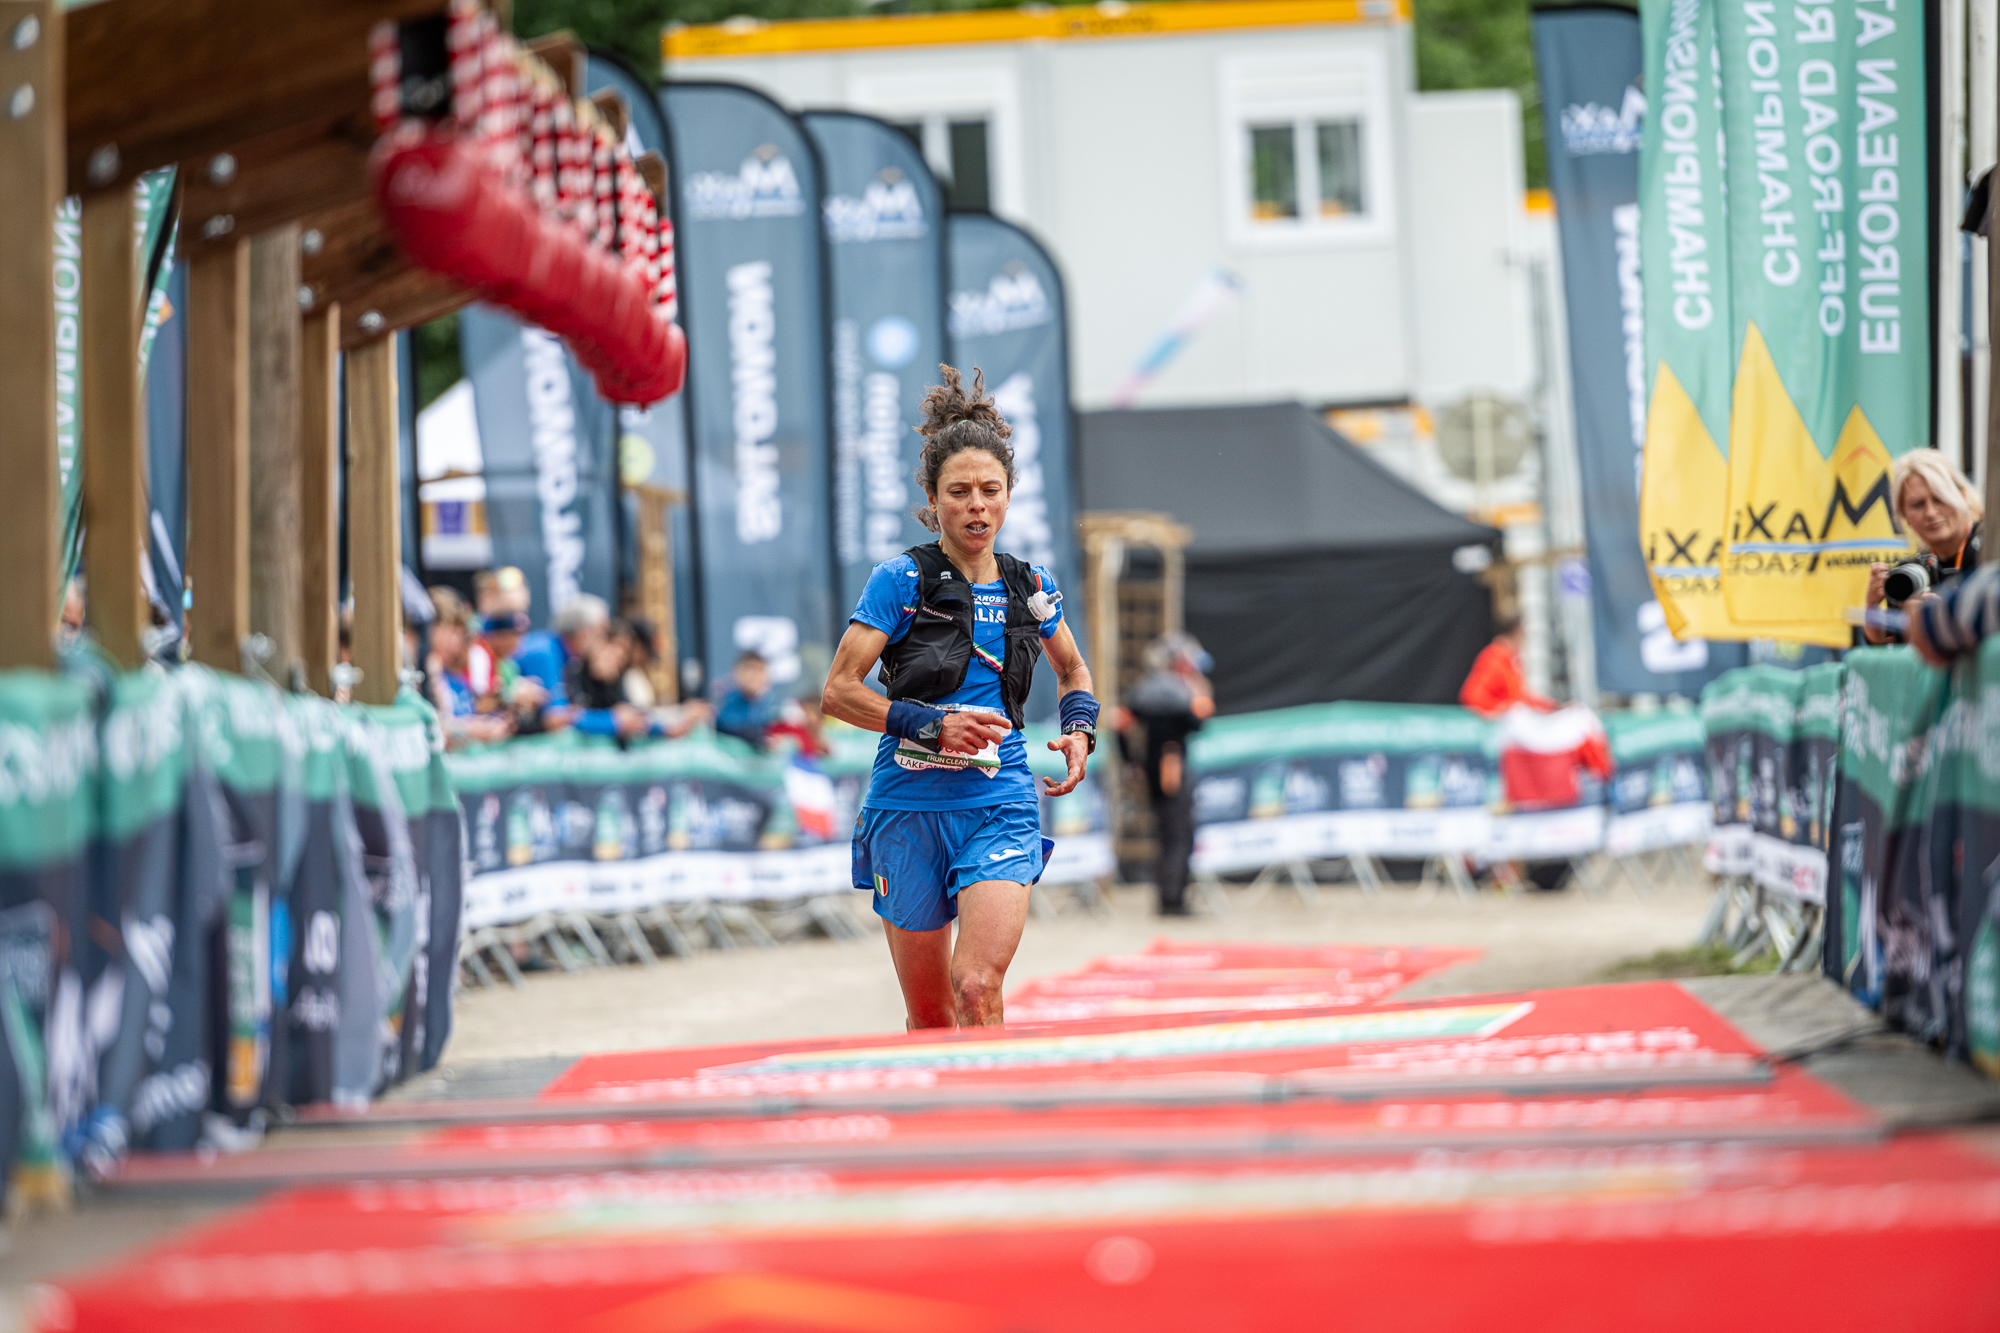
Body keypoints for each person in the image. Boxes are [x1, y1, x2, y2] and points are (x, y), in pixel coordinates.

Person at [822, 365, 1097, 1030]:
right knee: (932, 1017)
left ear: (1008, 495)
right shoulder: (900, 581)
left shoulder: (1032, 586)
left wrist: (1079, 731)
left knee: (976, 986)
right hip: (907, 805)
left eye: (990, 491)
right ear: (932, 496)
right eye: (960, 492)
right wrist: (929, 725)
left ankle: (992, 1099)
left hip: (998, 803)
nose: (977, 506)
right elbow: (837, 692)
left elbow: (1073, 670)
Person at [1114, 633, 1215, 917]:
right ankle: (1173, 899)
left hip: (1151, 767)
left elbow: (1120, 724)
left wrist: (1131, 761)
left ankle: (1168, 894)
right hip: (1172, 767)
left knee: (1166, 832)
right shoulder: (1180, 691)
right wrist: (1200, 692)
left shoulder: (1143, 690)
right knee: (1179, 834)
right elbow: (1199, 720)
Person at [1862, 451, 1984, 644]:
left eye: (1939, 499)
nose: (1931, 512)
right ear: (1905, 517)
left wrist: (1942, 615)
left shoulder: (1990, 547)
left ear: (1962, 496)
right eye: (1918, 505)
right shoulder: (1913, 572)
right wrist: (1872, 607)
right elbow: (1887, 649)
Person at [1458, 615, 1554, 717]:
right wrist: (1499, 708)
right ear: (1517, 632)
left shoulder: (1511, 660)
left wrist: (1548, 706)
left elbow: (1517, 698)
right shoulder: (1494, 659)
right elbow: (1472, 695)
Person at [715, 651, 783, 751]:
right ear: (738, 672)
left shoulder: (770, 705)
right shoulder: (724, 702)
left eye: (759, 669)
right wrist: (761, 741)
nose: (754, 675)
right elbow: (729, 727)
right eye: (749, 668)